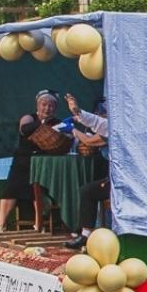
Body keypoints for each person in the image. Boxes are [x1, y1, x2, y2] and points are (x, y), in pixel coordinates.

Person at [0, 90, 62, 234]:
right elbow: (24, 129)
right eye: (44, 104)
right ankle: (0, 226)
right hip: (23, 161)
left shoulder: (57, 123)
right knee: (10, 190)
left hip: (44, 163)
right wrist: (42, 123)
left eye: (51, 105)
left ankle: (39, 226)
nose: (47, 108)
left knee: (38, 192)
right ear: (38, 105)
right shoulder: (29, 118)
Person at [63, 94, 110, 250]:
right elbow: (96, 122)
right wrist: (77, 111)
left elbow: (89, 141)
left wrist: (74, 131)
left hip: (126, 181)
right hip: (114, 177)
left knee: (88, 191)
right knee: (88, 190)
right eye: (99, 111)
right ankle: (86, 235)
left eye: (104, 111)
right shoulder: (108, 126)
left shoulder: (119, 128)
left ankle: (87, 235)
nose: (101, 115)